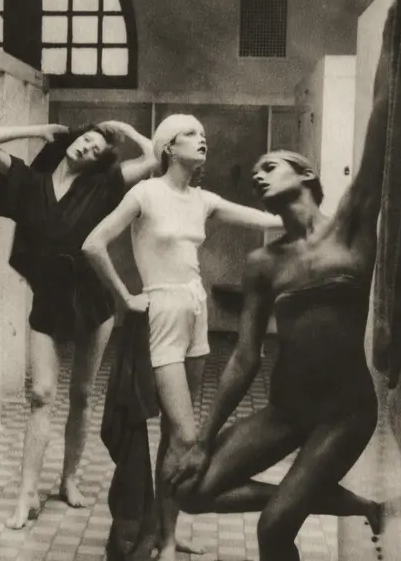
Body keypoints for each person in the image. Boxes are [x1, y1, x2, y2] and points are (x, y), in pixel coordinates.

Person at [164, 12, 394, 561]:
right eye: (255, 174)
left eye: (270, 167)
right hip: (285, 408)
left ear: (307, 175)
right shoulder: (263, 263)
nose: (258, 176)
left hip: (344, 411)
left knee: (274, 530)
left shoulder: (352, 226)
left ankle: (301, 500)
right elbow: (242, 359)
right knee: (190, 489)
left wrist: (394, 41)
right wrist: (200, 442)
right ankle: (344, 502)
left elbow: (381, 127)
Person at [82, 113, 282, 560]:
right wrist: (125, 297)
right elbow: (94, 243)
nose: (202, 139)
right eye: (191, 134)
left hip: (196, 308)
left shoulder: (203, 200)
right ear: (168, 147)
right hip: (162, 309)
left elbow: (267, 220)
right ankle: (156, 529)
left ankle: (167, 538)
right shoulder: (145, 193)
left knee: (176, 434)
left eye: (204, 134)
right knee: (189, 438)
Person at [0, 117, 159, 529]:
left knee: (81, 393)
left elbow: (151, 158)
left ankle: (69, 478)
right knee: (41, 394)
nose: (87, 150)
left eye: (96, 150)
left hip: (93, 296)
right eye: (85, 142)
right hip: (50, 297)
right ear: (72, 141)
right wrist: (36, 131)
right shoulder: (31, 179)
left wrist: (122, 132)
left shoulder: (103, 184)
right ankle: (26, 495)